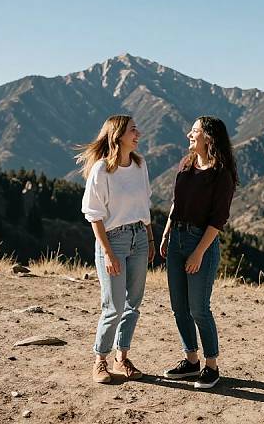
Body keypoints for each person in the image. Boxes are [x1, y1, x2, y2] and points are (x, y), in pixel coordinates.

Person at [160, 116, 238, 389]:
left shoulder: (221, 175)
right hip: (177, 238)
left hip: (200, 242)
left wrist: (198, 253)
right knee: (178, 307)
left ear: (209, 137)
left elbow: (218, 221)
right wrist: (167, 231)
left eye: (194, 131)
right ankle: (191, 361)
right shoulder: (187, 164)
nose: (189, 135)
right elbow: (175, 203)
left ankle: (211, 366)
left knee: (199, 309)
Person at [77, 115, 155, 384]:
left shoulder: (140, 164)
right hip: (113, 240)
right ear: (118, 135)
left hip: (139, 238)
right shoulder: (101, 170)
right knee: (113, 306)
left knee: (134, 304)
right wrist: (108, 253)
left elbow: (145, 205)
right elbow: (94, 216)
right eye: (133, 130)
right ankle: (100, 360)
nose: (138, 134)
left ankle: (122, 359)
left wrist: (150, 238)